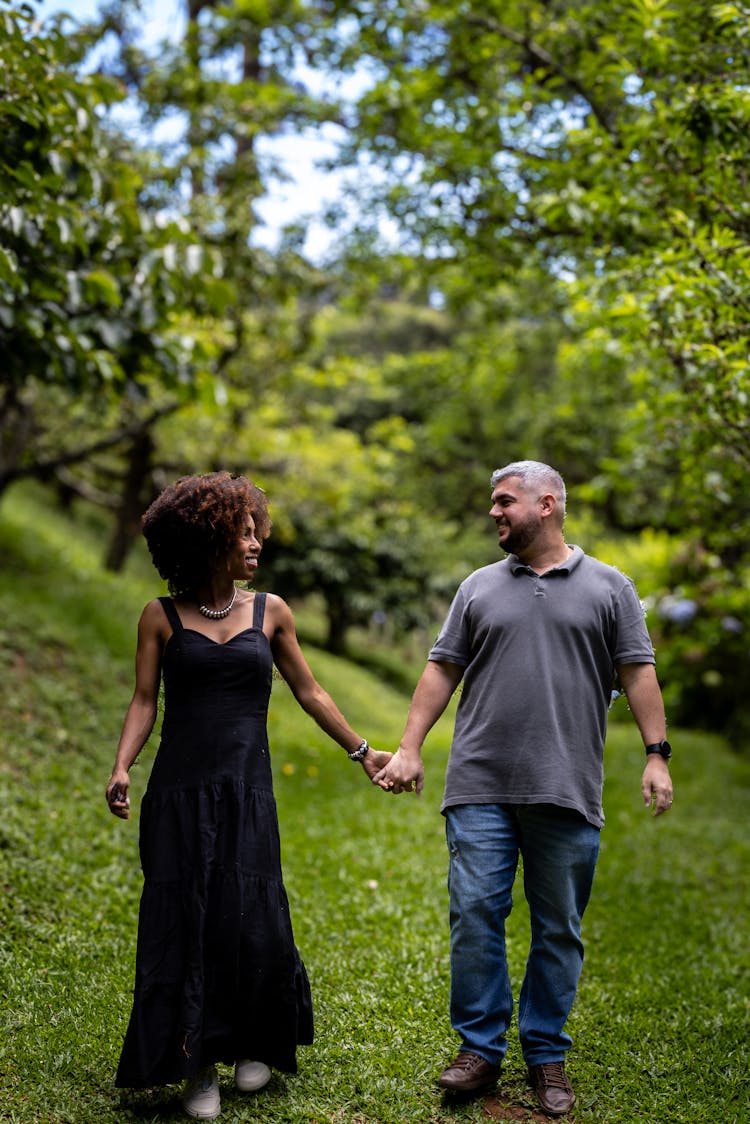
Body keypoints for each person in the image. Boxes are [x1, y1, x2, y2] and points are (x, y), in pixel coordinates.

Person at [373, 460, 673, 1118]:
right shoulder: (478, 588)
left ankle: (545, 1055)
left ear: (548, 505)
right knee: (475, 916)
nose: (494, 512)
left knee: (558, 929)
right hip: (479, 782)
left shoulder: (610, 588)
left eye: (505, 501)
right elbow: (440, 670)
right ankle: (478, 1051)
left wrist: (657, 755)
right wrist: (412, 746)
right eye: (492, 502)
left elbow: (639, 673)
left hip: (566, 788)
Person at [106, 471, 390, 1121]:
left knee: (252, 915)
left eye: (256, 531)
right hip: (178, 792)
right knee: (188, 920)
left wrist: (362, 751)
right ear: (208, 539)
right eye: (243, 532)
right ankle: (197, 1062)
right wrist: (122, 766)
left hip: (248, 791)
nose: (256, 542)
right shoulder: (160, 616)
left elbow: (311, 692)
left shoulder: (273, 611)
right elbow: (144, 700)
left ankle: (255, 1040)